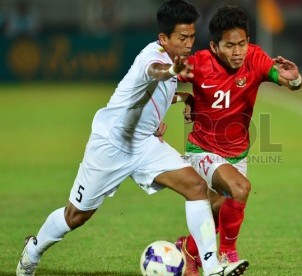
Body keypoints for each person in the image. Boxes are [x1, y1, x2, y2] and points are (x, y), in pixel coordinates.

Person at [15, 1, 248, 276]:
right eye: (182, 38)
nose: (188, 44)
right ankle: (33, 250)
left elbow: (154, 94)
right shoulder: (153, 57)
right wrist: (173, 72)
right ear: (164, 38)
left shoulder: (176, 60)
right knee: (76, 216)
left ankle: (211, 268)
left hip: (145, 145)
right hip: (110, 145)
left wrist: (183, 97)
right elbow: (155, 74)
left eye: (192, 37)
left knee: (196, 187)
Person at [172, 5, 302, 276]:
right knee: (241, 188)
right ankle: (227, 252)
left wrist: (295, 78)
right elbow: (162, 87)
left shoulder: (255, 58)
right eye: (230, 46)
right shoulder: (199, 63)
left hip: (237, 154)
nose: (237, 51)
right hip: (202, 149)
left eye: (242, 43)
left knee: (220, 211)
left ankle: (189, 249)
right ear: (214, 46)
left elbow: (287, 80)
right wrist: (186, 97)